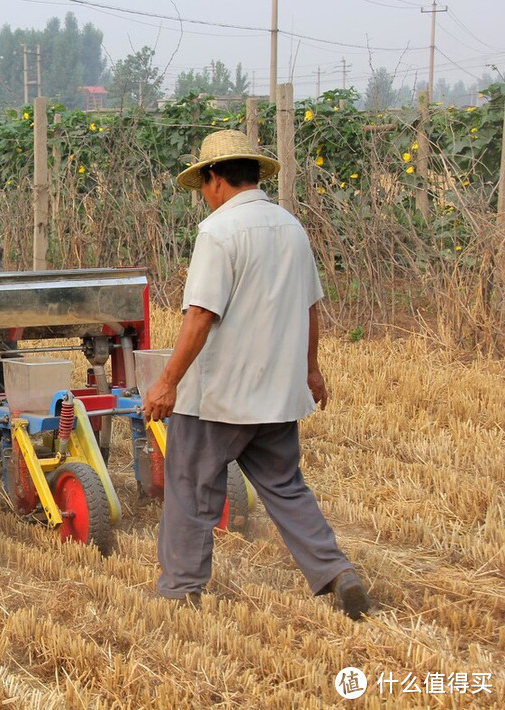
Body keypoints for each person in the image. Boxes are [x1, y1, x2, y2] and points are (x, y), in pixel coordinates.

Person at [143, 129, 371, 620]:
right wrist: (311, 370)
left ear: (214, 179)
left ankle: (181, 590)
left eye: (203, 186)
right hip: (277, 393)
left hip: (219, 398)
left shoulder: (218, 233)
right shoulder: (291, 227)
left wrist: (167, 382)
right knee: (286, 488)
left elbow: (200, 314)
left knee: (190, 491)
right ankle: (335, 571)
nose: (204, 197)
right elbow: (311, 308)